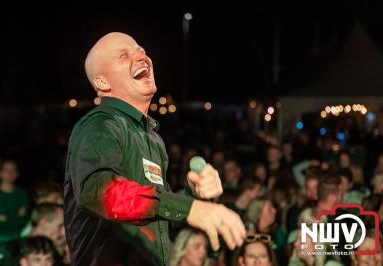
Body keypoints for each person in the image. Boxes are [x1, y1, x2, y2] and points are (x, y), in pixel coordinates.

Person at [64, 32, 246, 266]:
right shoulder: (100, 124)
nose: (141, 56)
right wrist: (190, 208)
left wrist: (192, 194)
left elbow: (158, 217)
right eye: (124, 56)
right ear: (102, 82)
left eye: (142, 50)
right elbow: (98, 191)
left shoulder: (151, 138)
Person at [0, 203, 65, 266]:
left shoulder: (57, 250)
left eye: (49, 259)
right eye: (60, 226)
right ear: (43, 224)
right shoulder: (9, 248)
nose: (63, 232)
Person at [0, 159, 31, 254]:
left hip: (18, 237)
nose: (10, 173)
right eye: (6, 170)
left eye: (13, 170)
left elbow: (25, 219)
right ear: (0, 173)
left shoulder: (22, 194)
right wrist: (14, 217)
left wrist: (4, 218)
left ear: (17, 174)